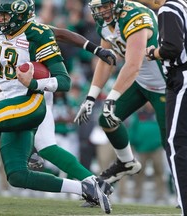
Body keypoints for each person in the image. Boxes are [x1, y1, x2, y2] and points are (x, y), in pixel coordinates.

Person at [0, 0, 111, 213]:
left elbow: (64, 80)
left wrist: (95, 49)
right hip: (8, 95)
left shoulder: (36, 32)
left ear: (19, 16)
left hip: (32, 97)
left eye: (3, 15)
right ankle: (86, 186)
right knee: (17, 175)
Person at [74, 0, 166, 185]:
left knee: (172, 142)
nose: (101, 12)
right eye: (98, 8)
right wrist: (91, 96)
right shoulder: (106, 23)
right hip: (140, 83)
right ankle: (126, 162)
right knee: (107, 119)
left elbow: (133, 65)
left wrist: (111, 99)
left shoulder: (136, 17)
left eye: (105, 6)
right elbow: (106, 59)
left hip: (165, 84)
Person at [146, 0, 187, 214]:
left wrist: (154, 53)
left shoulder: (168, 7)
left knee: (177, 143)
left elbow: (172, 47)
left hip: (182, 78)